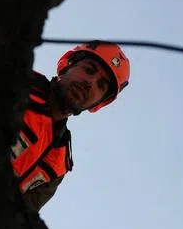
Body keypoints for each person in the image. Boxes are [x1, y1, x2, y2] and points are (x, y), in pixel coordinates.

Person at [10, 41, 130, 211]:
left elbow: (22, 218)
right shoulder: (16, 82)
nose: (90, 82)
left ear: (97, 104)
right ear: (66, 66)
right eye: (89, 70)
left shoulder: (59, 161)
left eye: (101, 85)